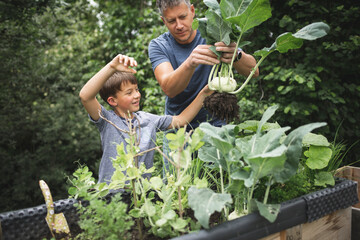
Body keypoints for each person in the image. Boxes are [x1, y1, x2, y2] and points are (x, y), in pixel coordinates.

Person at [79, 54, 213, 184]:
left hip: (142, 195)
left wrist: (204, 94)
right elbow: (86, 96)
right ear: (112, 101)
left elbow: (181, 120)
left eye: (136, 90)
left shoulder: (147, 119)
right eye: (129, 92)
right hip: (111, 196)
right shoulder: (107, 120)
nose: (137, 95)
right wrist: (112, 67)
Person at [148, 0, 259, 130]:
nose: (179, 25)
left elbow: (254, 71)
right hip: (177, 128)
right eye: (171, 21)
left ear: (192, 11)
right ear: (163, 20)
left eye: (183, 17)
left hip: (216, 124)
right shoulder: (159, 45)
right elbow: (169, 89)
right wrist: (190, 63)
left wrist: (236, 56)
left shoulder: (214, 29)